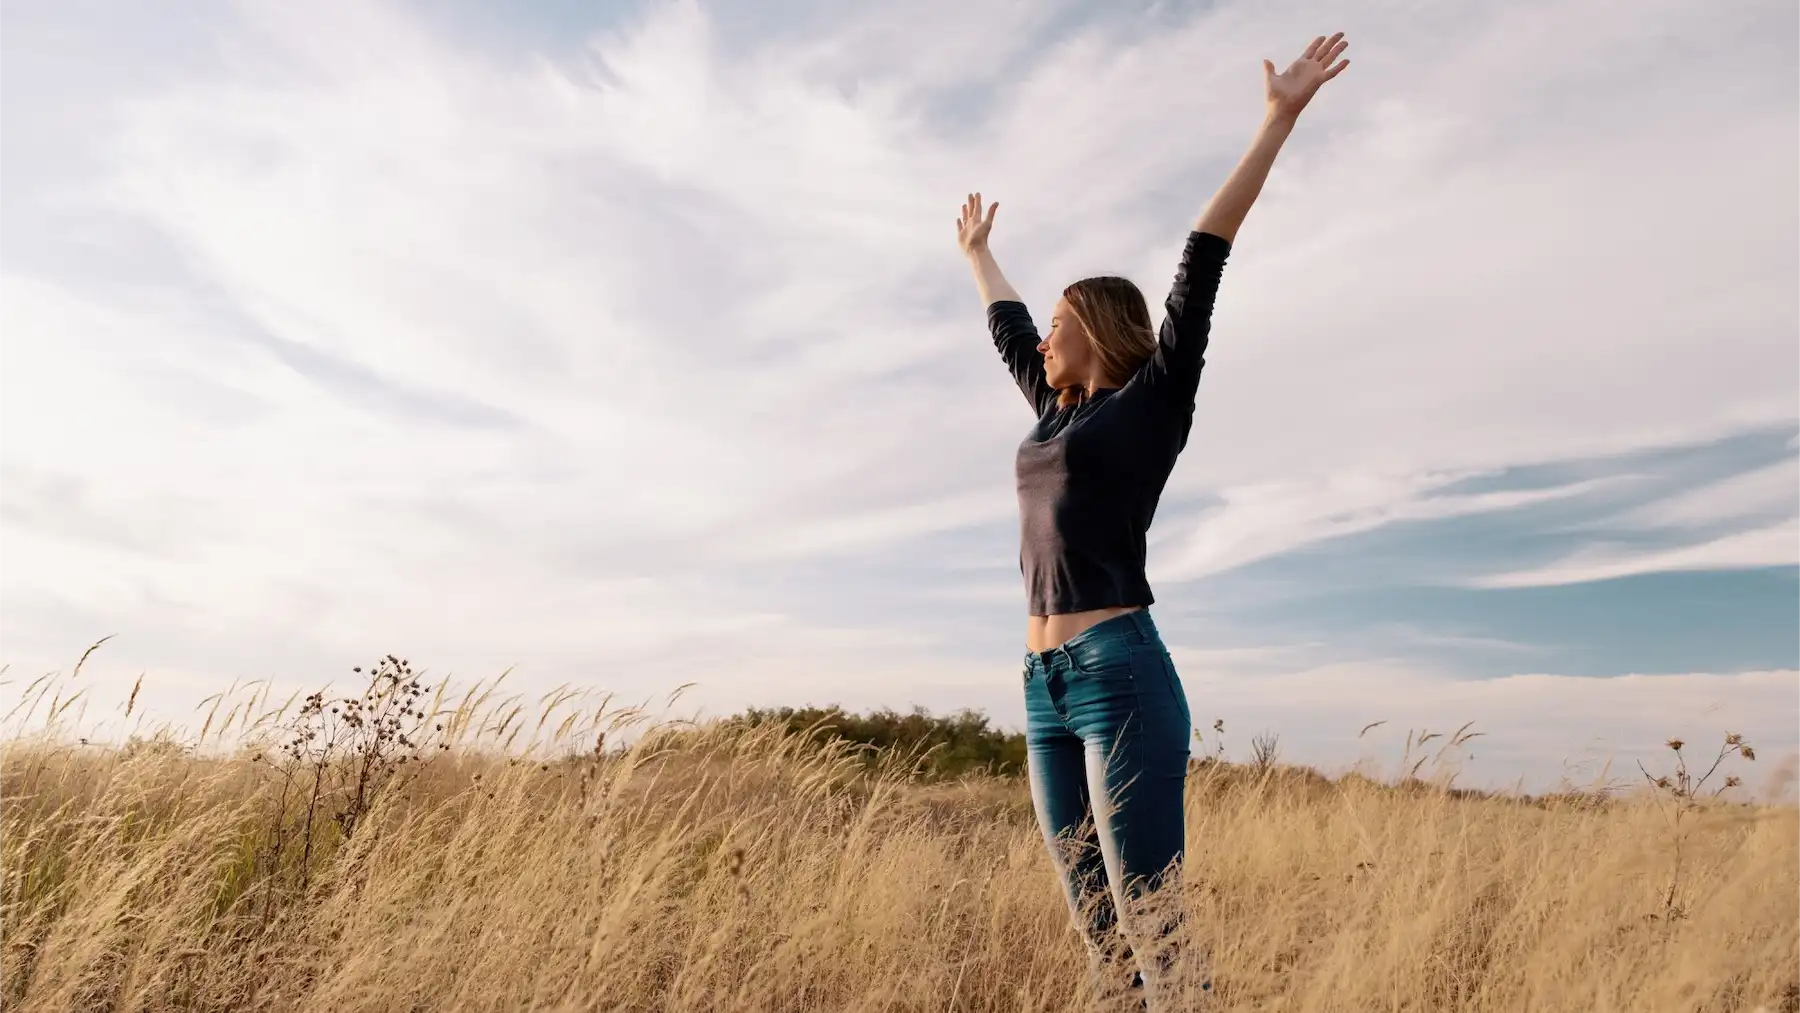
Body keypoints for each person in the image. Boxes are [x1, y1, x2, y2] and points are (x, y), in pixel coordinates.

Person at [955, 32, 1352, 1009]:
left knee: (1154, 930)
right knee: (1100, 937)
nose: (1041, 336)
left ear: (1095, 322)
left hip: (1119, 675)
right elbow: (1008, 331)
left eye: (1057, 319)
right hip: (1043, 684)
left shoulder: (1152, 403)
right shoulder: (1053, 414)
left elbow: (1200, 261)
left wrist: (1277, 122)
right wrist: (980, 255)